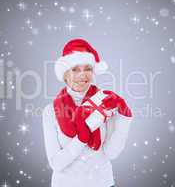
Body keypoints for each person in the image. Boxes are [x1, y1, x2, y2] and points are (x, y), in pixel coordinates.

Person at [42, 38, 133, 187]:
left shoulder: (104, 102)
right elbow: (56, 163)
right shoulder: (51, 111)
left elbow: (111, 153)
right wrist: (81, 139)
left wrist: (124, 117)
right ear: (65, 74)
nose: (82, 75)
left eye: (88, 69)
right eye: (75, 69)